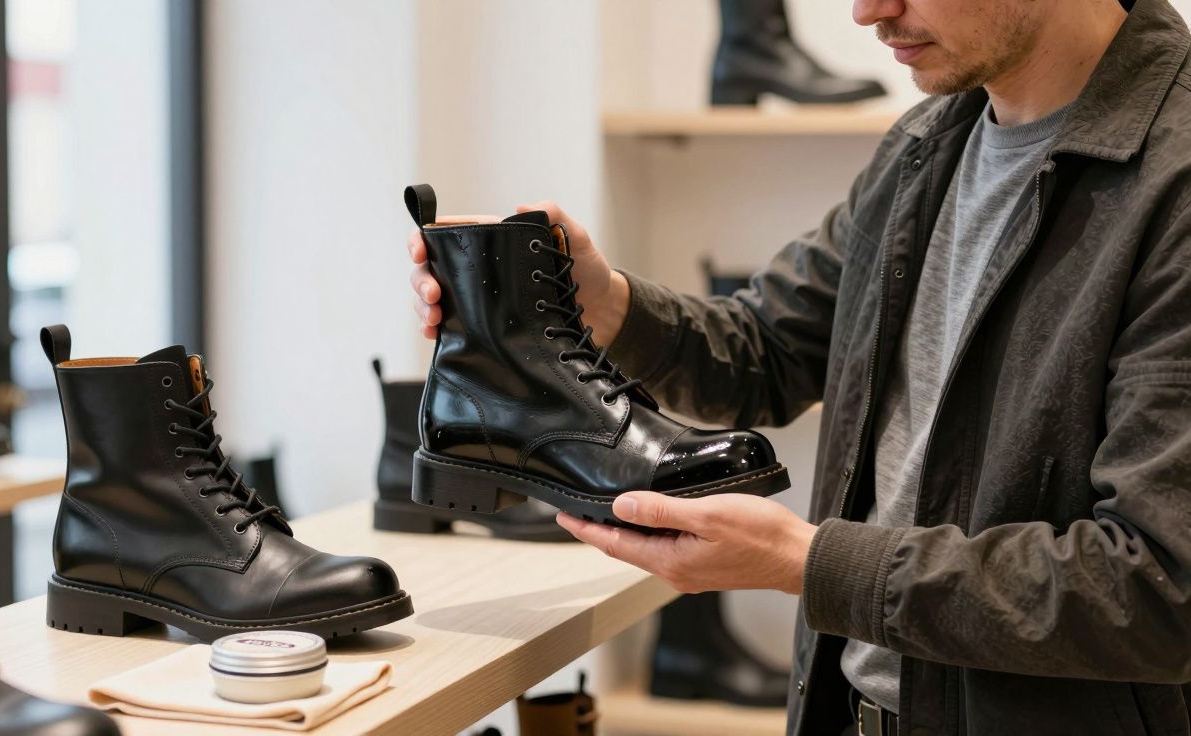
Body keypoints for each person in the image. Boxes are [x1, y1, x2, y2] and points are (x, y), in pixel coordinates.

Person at [408, 0, 1191, 733]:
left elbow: (1157, 591)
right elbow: (766, 352)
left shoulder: (1174, 178)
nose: (866, 11)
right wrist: (603, 300)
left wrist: (807, 564)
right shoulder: (927, 146)